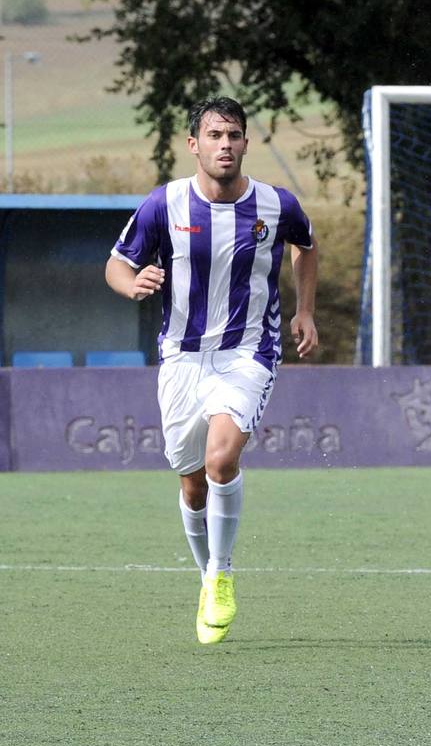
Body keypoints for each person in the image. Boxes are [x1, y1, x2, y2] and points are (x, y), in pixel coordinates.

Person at [105, 96, 319, 646]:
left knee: (222, 459)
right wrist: (132, 284)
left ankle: (221, 573)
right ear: (194, 144)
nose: (225, 144)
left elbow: (306, 246)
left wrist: (304, 310)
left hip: (249, 350)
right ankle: (207, 575)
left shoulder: (275, 204)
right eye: (214, 135)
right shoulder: (165, 204)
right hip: (181, 356)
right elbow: (117, 263)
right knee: (192, 480)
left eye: (234, 134)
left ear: (246, 142)